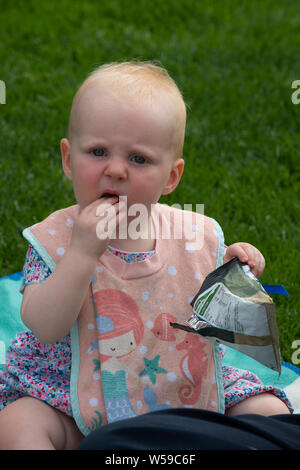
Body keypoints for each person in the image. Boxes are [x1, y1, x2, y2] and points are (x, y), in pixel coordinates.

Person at [0, 61, 292, 450]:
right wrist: (83, 253)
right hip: (71, 397)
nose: (116, 170)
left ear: (171, 176)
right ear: (69, 160)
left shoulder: (194, 235)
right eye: (98, 151)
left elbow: (214, 310)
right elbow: (44, 326)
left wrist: (236, 267)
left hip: (184, 389)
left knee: (270, 411)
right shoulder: (55, 240)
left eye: (138, 159)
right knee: (18, 424)